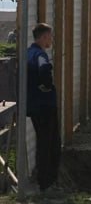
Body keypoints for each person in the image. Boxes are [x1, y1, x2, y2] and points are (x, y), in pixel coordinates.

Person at [26, 23, 61, 192]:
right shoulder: (40, 55)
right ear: (43, 37)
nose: (51, 40)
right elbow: (45, 74)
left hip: (34, 106)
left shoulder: (29, 53)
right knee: (49, 144)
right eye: (50, 36)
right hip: (45, 106)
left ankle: (43, 181)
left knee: (43, 142)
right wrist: (46, 87)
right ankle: (46, 183)